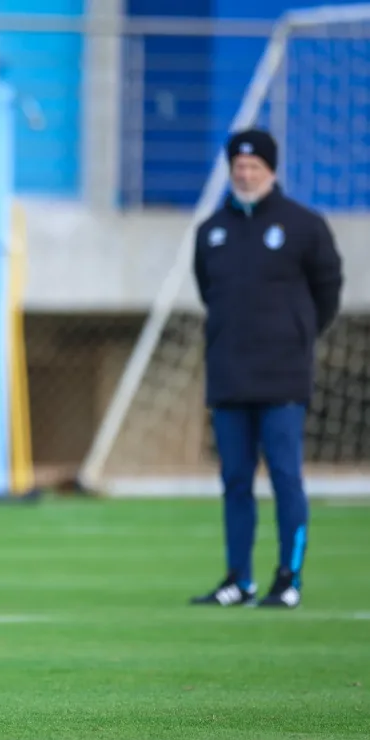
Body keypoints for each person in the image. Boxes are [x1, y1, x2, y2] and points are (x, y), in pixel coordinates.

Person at [190, 129, 343, 610]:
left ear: (271, 171)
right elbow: (207, 290)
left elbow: (327, 293)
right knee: (235, 481)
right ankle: (239, 579)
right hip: (229, 376)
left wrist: (294, 335)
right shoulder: (211, 231)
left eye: (254, 167)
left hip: (283, 378)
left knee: (284, 476)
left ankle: (288, 577)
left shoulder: (304, 226)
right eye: (239, 167)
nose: (245, 174)